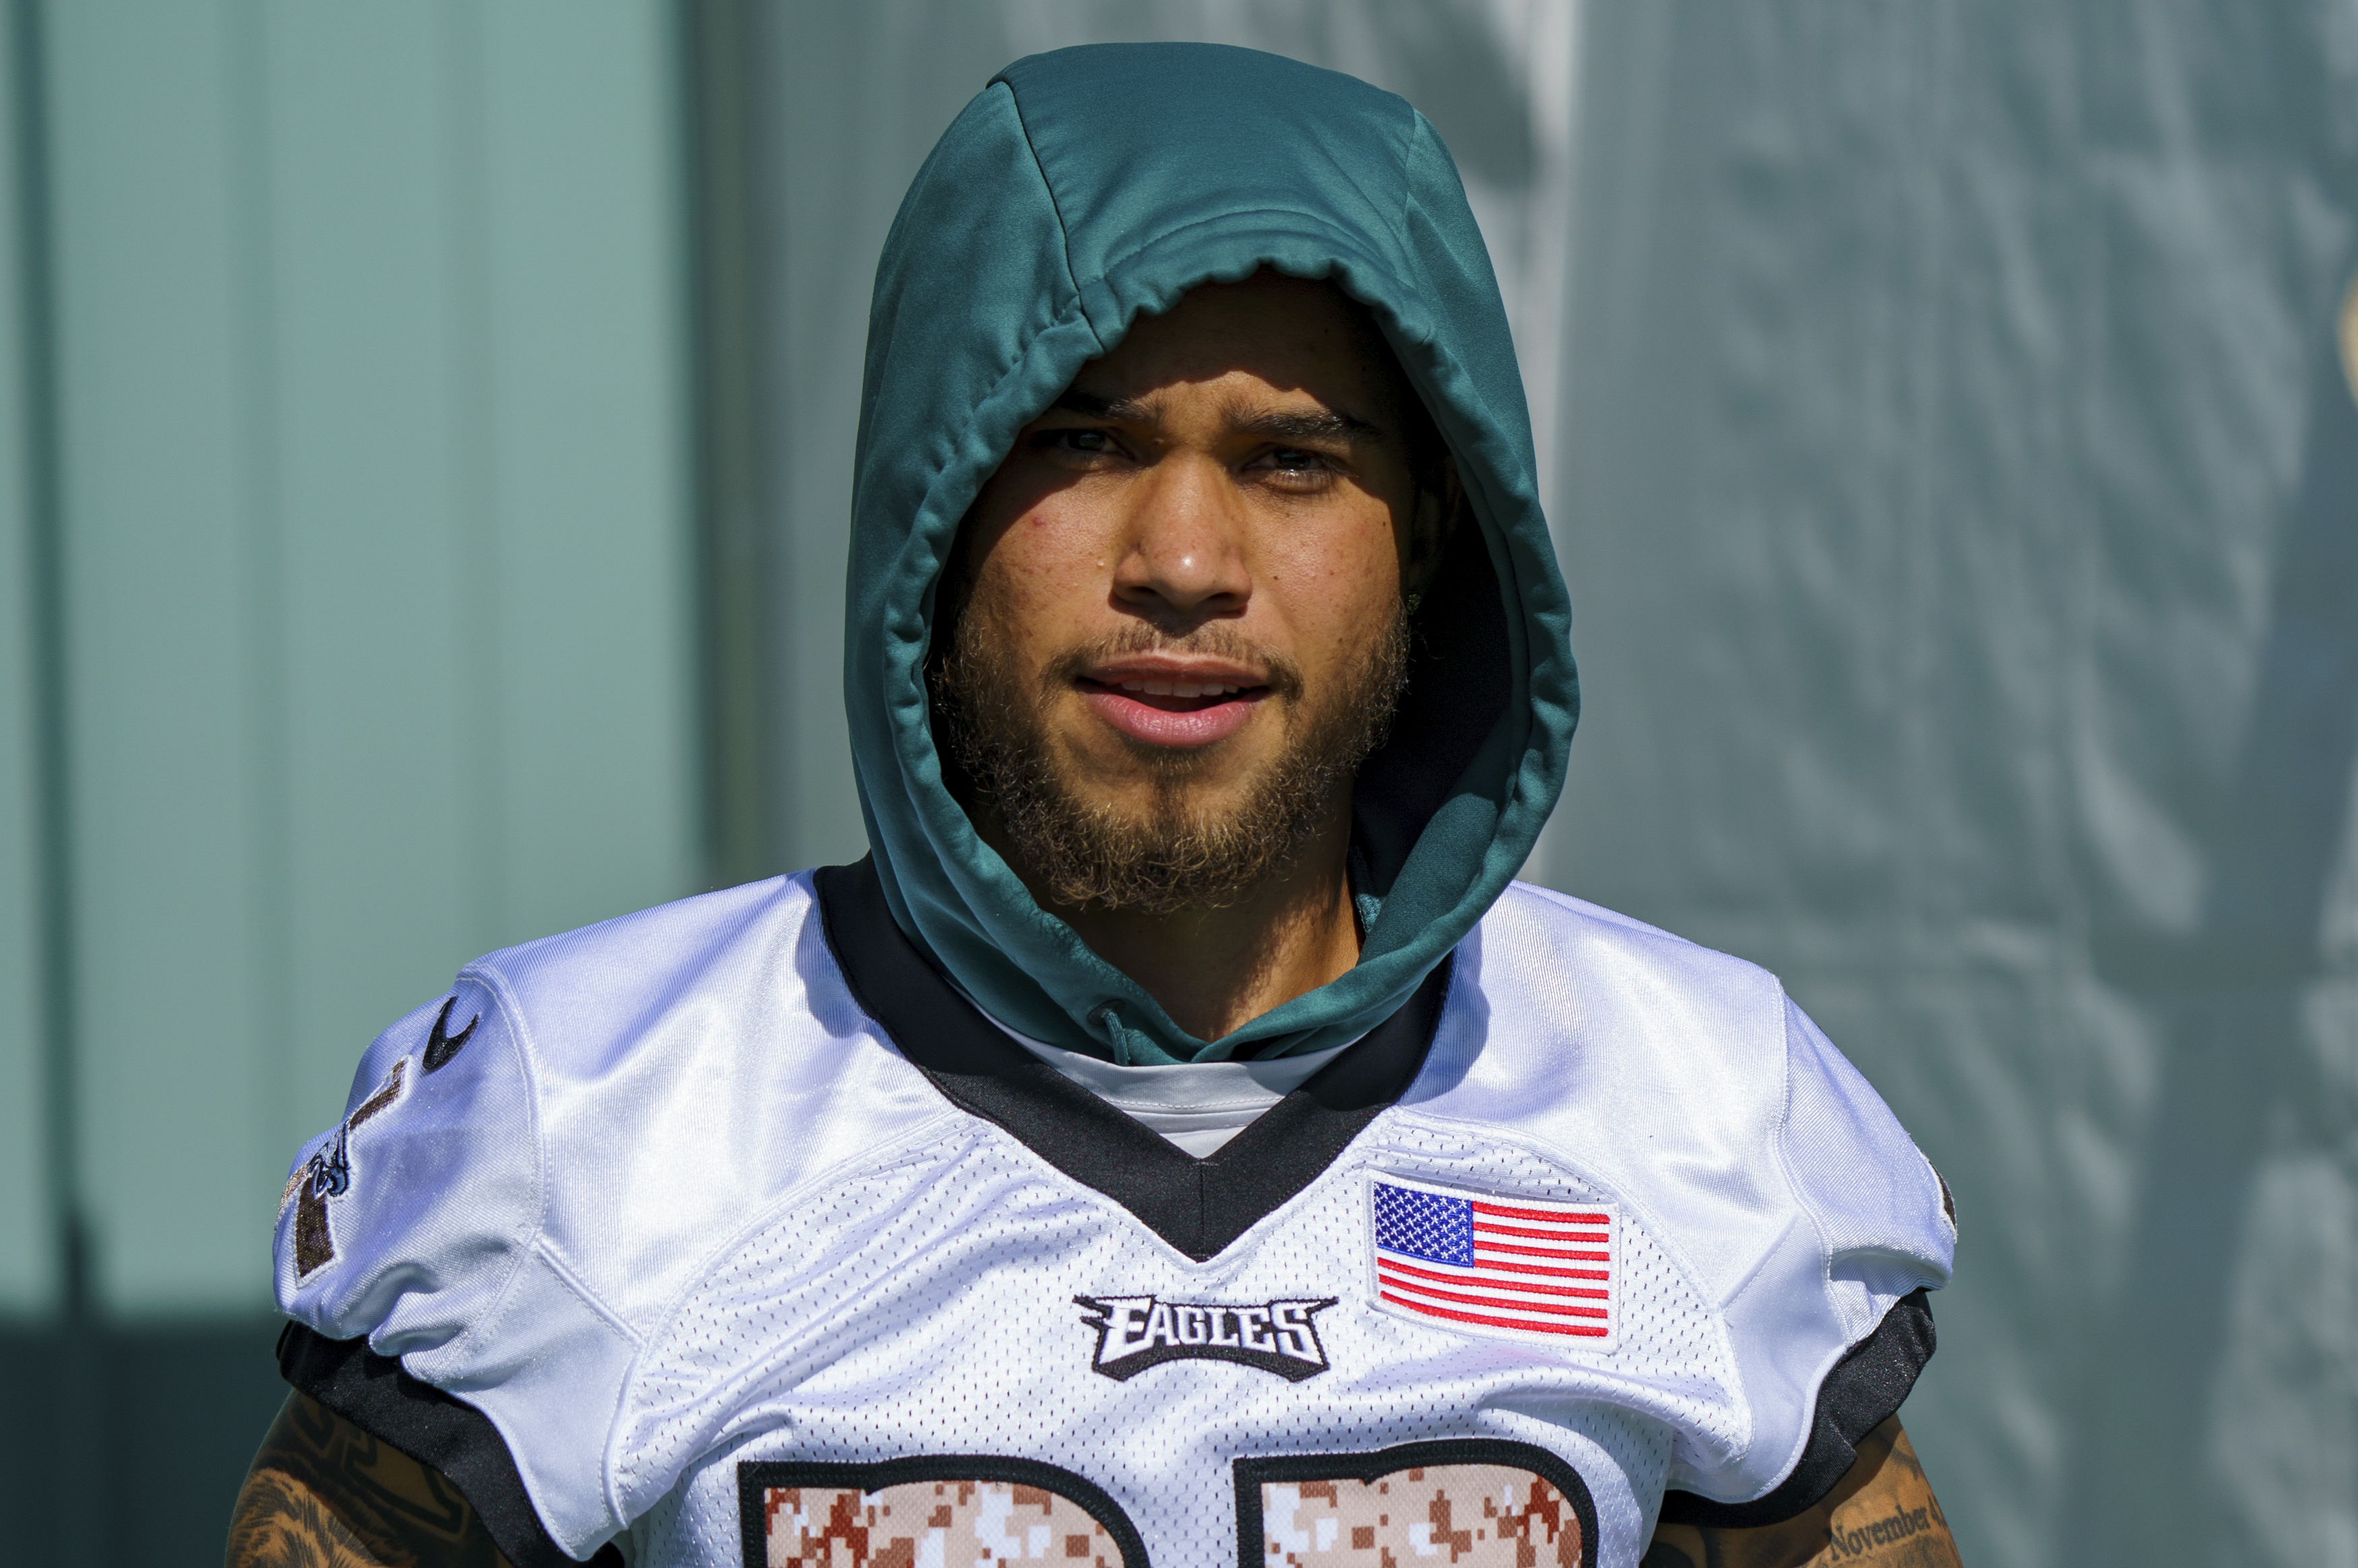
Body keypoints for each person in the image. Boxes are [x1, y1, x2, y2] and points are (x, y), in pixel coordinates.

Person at [228, 42, 1959, 1568]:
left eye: (1291, 460)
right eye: (1079, 442)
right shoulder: (599, 1112)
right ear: (936, 500)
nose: (1185, 564)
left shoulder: (1693, 1107)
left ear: (1432, 528)